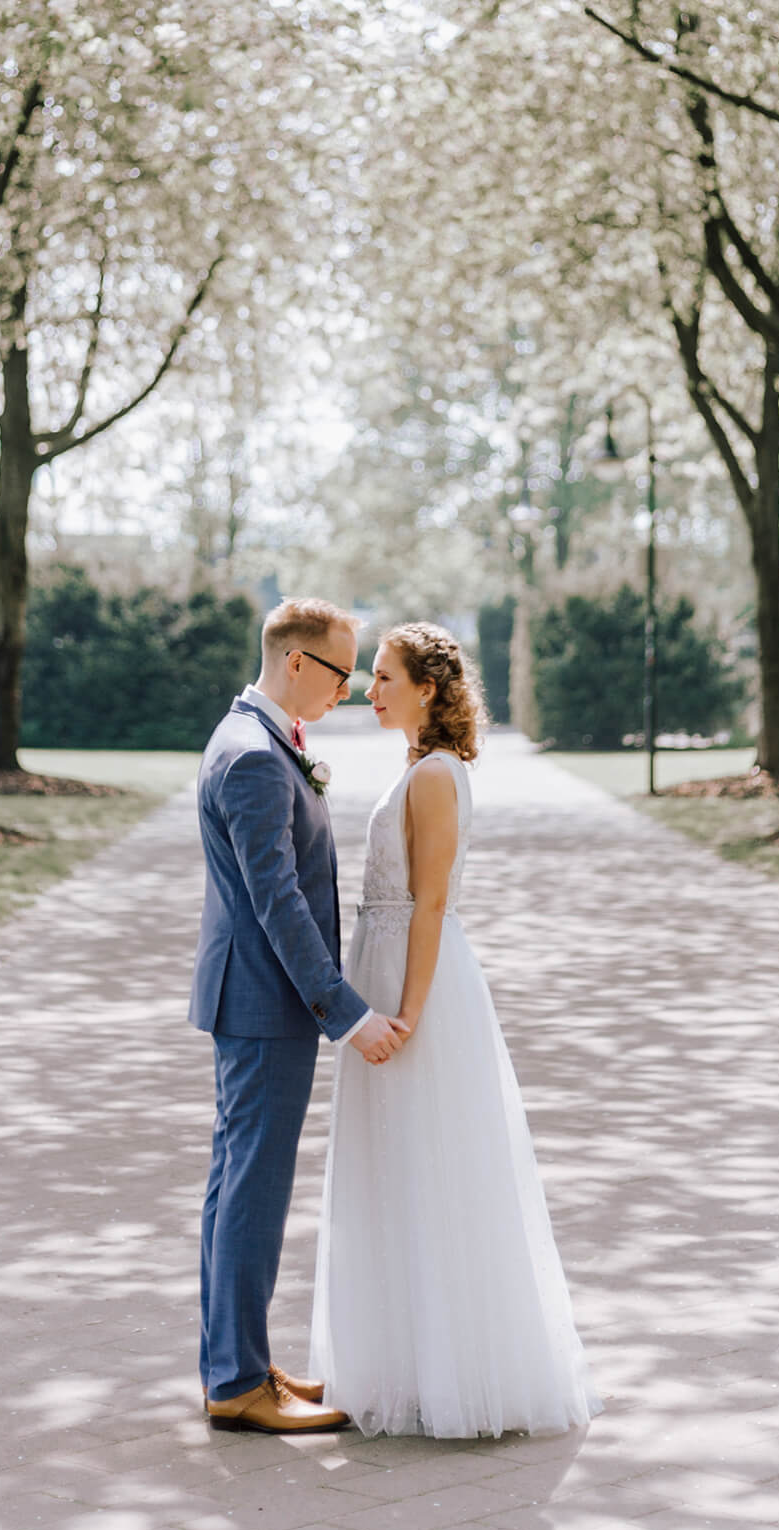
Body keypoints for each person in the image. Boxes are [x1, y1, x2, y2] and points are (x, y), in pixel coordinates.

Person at [310, 621, 601, 1438]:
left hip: (415, 982)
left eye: (385, 678)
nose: (371, 691)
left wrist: (409, 1006)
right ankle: (401, 1363)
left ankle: (448, 1374)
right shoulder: (415, 766)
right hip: (383, 965)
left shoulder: (436, 776)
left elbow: (432, 902)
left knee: (424, 1163)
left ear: (429, 689)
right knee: (390, 1165)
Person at [190, 597, 409, 1435]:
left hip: (253, 1000)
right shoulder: (251, 756)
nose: (350, 690)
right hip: (264, 1003)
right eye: (341, 671)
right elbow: (276, 901)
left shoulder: (257, 739)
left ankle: (234, 1364)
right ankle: (239, 1381)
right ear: (294, 663)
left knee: (234, 1186)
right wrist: (347, 1013)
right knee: (252, 1189)